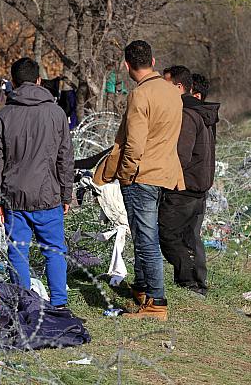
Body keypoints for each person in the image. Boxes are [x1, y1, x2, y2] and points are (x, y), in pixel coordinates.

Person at [94, 40, 185, 320]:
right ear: (153, 61)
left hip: (141, 174)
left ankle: (156, 303)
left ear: (126, 65)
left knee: (146, 239)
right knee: (147, 234)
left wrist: (127, 173)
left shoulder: (140, 94)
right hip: (166, 173)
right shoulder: (173, 92)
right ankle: (144, 288)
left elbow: (133, 143)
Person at [0, 57, 74, 307]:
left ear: (13, 82)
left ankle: (23, 303)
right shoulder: (56, 113)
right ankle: (59, 304)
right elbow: (65, 157)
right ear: (39, 81)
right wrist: (67, 194)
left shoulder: (4, 115)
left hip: (14, 198)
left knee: (18, 252)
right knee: (54, 251)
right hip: (49, 195)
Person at [160, 66, 219, 297]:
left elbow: (181, 156)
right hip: (200, 185)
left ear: (180, 88)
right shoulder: (204, 114)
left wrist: (164, 178)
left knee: (167, 234)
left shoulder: (186, 115)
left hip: (184, 187)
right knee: (190, 237)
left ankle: (189, 281)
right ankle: (197, 284)